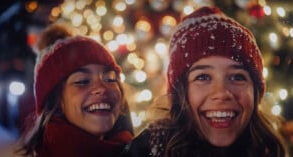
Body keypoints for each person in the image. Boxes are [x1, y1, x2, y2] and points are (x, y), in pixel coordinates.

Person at [120, 6, 288, 157]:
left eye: (237, 77)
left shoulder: (270, 150)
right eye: (203, 77)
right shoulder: (145, 151)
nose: (221, 93)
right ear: (181, 92)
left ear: (256, 91)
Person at [16, 24, 134, 157]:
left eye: (110, 78)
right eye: (82, 81)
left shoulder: (140, 148)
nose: (102, 88)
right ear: (57, 102)